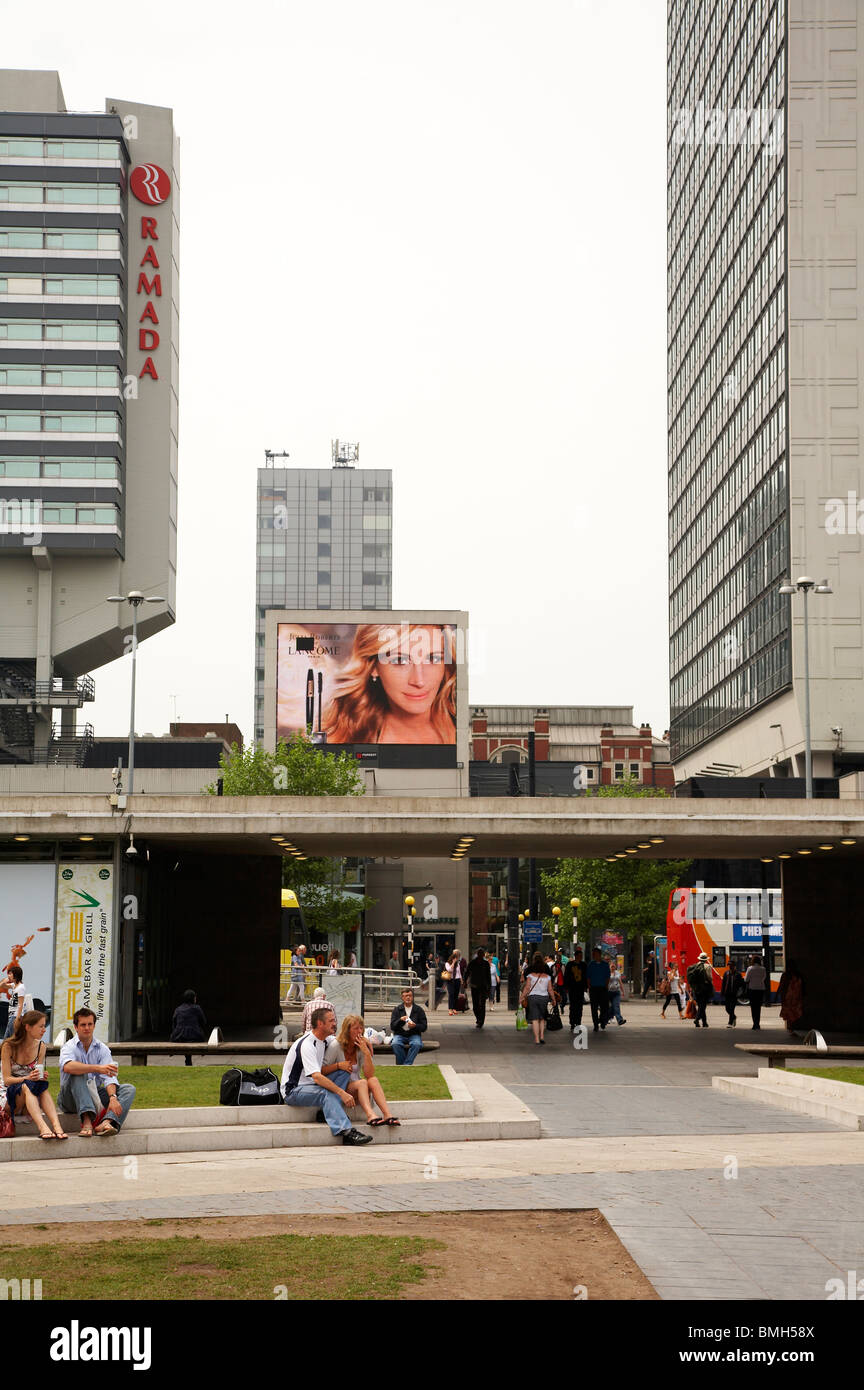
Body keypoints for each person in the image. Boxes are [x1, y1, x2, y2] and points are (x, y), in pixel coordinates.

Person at [322, 622, 457, 745]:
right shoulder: (340, 737)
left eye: (433, 658)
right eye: (400, 660)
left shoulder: (462, 722)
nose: (419, 681)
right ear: (374, 667)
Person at [281, 1006, 372, 1145]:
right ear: (320, 1024)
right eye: (331, 1021)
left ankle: (326, 1112)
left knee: (344, 1069)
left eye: (334, 1020)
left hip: (312, 1087)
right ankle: (347, 1132)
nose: (335, 1023)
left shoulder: (326, 1040)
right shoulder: (307, 1044)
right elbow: (317, 1077)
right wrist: (342, 1093)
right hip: (294, 1090)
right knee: (325, 1093)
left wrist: (366, 1042)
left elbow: (344, 1039)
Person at [57, 1007, 136, 1137]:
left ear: (94, 1026)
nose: (87, 1028)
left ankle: (106, 1122)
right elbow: (68, 1067)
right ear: (76, 1027)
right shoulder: (69, 1046)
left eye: (90, 1024)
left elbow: (109, 1076)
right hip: (69, 1097)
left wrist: (112, 1097)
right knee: (78, 1072)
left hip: (94, 1093)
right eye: (83, 1025)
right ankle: (87, 1122)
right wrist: (97, 1068)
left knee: (129, 1089)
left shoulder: (102, 1048)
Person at [1, 1009, 67, 1139]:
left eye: (44, 1026)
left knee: (41, 1085)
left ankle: (57, 1126)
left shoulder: (41, 1047)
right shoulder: (8, 1046)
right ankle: (43, 1127)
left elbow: (36, 1073)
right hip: (7, 1096)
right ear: (28, 1027)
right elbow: (7, 1080)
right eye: (41, 1026)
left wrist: (40, 1076)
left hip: (28, 1096)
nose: (44, 1030)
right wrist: (27, 1078)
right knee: (26, 1086)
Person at [330, 1015, 400, 1126]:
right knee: (362, 1082)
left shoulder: (360, 1046)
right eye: (356, 1028)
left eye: (361, 1028)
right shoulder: (335, 1046)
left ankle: (387, 1115)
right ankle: (370, 1115)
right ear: (347, 1030)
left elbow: (369, 1074)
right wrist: (338, 1065)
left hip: (358, 1089)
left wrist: (366, 1053)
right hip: (341, 1089)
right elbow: (322, 1070)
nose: (360, 1031)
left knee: (373, 1080)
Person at [520, 952, 557, 1045]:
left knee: (535, 1019)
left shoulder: (530, 975)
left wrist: (522, 997)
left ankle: (536, 1039)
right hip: (544, 998)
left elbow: (527, 988)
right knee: (542, 1018)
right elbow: (550, 989)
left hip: (532, 997)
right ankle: (542, 1036)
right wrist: (553, 999)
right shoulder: (547, 976)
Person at [389, 987, 427, 1064]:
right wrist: (400, 1020)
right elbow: (392, 1026)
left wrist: (415, 1026)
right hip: (400, 1034)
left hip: (414, 1034)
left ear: (413, 997)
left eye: (410, 995)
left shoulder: (419, 1010)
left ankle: (405, 1065)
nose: (408, 997)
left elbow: (424, 1027)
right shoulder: (397, 1009)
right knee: (395, 1044)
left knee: (417, 1044)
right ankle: (405, 1065)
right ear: (402, 997)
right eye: (406, 996)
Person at [169, 988, 208, 1064]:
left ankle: (186, 1058)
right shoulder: (197, 1008)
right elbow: (203, 1022)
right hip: (195, 1037)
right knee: (192, 1035)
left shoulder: (178, 1009)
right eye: (195, 997)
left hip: (179, 1037)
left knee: (185, 1035)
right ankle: (191, 1058)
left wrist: (174, 1035)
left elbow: (174, 1024)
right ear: (193, 998)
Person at [464, 947, 492, 1029]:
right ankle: (478, 1018)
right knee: (475, 1005)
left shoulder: (486, 964)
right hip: (474, 986)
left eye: (482, 954)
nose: (481, 955)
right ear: (477, 954)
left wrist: (489, 987)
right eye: (479, 953)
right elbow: (467, 972)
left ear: (483, 955)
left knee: (482, 1005)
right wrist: (465, 981)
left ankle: (481, 1021)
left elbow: (488, 976)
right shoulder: (472, 963)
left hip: (483, 987)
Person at [3, 964, 31, 1041]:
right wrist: (5, 981)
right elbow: (2, 986)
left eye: (10, 974)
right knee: (8, 1040)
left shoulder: (21, 987)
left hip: (15, 1017)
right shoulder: (13, 985)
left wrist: (17, 1019)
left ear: (15, 975)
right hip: (11, 1016)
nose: (9, 975)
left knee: (9, 1041)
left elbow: (20, 1004)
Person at [563, 948, 589, 1033]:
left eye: (581, 956)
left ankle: (578, 1022)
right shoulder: (570, 964)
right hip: (572, 988)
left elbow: (586, 976)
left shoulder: (583, 965)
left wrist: (586, 987)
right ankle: (572, 1022)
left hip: (580, 988)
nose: (581, 957)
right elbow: (566, 976)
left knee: (579, 1006)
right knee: (573, 1006)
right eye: (579, 956)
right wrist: (566, 987)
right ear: (576, 956)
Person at [687, 952, 714, 1029]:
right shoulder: (707, 966)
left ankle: (704, 1023)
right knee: (703, 1006)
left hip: (696, 989)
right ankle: (697, 1019)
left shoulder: (695, 966)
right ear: (706, 959)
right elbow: (710, 977)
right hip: (704, 988)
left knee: (700, 1006)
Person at [587, 948, 611, 1032]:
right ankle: (595, 1024)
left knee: (604, 1007)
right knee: (594, 1008)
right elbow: (588, 977)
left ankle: (603, 1021)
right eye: (593, 954)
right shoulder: (591, 964)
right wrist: (589, 987)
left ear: (599, 954)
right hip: (593, 989)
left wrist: (606, 986)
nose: (594, 955)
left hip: (603, 988)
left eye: (595, 954)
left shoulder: (605, 964)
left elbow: (608, 977)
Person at [778, 961, 805, 1033]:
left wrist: (780, 996)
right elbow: (802, 986)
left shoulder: (786, 975)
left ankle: (791, 1028)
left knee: (790, 1013)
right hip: (796, 997)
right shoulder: (798, 975)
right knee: (795, 1013)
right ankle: (792, 1027)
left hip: (788, 997)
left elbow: (781, 986)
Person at [744, 953, 768, 1031]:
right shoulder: (763, 969)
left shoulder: (750, 968)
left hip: (752, 990)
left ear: (753, 961)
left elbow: (746, 979)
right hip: (761, 989)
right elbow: (764, 978)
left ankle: (755, 1024)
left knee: (753, 1008)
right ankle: (758, 1024)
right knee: (758, 1007)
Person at [721, 960, 744, 1028]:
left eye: (731, 965)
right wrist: (722, 992)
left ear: (734, 966)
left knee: (732, 1008)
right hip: (727, 993)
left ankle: (730, 1023)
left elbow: (741, 984)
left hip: (734, 994)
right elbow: (723, 984)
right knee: (727, 1008)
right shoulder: (726, 973)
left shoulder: (738, 974)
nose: (730, 967)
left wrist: (740, 993)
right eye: (729, 965)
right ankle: (734, 1017)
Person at [445, 949, 465, 1014]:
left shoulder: (458, 964)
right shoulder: (447, 963)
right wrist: (453, 963)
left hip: (457, 980)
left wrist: (461, 980)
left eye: (456, 959)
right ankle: (450, 1009)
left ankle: (454, 1008)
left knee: (456, 995)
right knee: (451, 994)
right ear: (452, 958)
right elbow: (449, 970)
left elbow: (459, 972)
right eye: (454, 958)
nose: (456, 960)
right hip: (450, 980)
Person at [607, 960, 627, 1025]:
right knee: (610, 1007)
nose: (613, 967)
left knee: (616, 1006)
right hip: (608, 992)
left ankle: (619, 1020)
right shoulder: (607, 973)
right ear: (609, 966)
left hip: (616, 992)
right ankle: (606, 1018)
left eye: (614, 966)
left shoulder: (617, 973)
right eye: (611, 966)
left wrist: (623, 991)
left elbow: (620, 982)